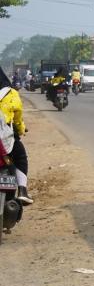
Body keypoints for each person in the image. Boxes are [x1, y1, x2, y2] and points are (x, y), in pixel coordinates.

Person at [0, 67, 33, 205]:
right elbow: (18, 118)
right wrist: (20, 130)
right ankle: (22, 190)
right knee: (20, 156)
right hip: (4, 136)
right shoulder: (10, 93)